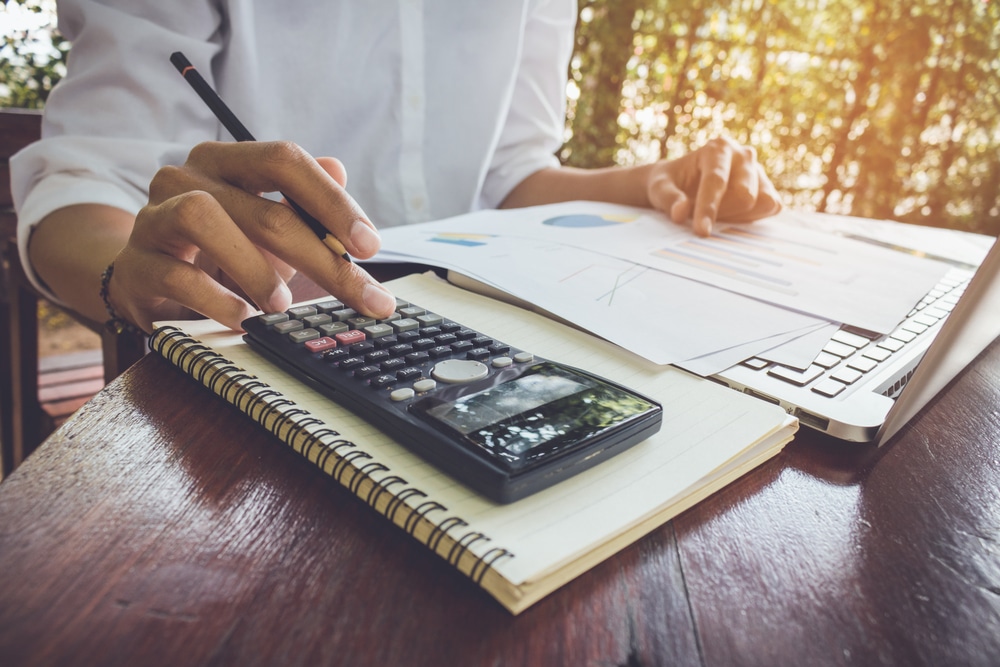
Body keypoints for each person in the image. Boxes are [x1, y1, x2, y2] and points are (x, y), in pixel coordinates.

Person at [12, 0, 782, 335]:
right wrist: (128, 273)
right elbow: (88, 178)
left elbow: (510, 172)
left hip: (482, 325)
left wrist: (643, 182)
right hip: (255, 347)